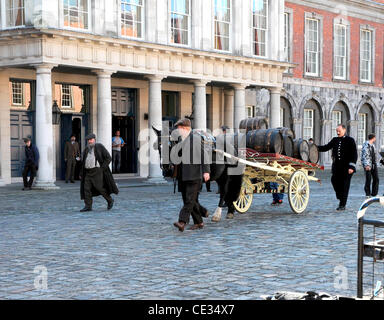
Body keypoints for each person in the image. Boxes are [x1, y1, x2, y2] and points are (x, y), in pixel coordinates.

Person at [173, 118, 211, 232]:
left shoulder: (195, 139)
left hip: (194, 175)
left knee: (189, 201)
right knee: (189, 200)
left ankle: (182, 222)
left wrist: (206, 171)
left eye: (179, 129)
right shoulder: (181, 140)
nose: (178, 131)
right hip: (183, 176)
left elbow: (204, 155)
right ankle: (199, 221)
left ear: (185, 128)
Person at [318, 124, 357, 211]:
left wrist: (351, 167)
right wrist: (315, 147)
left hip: (347, 167)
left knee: (345, 186)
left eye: (339, 131)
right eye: (337, 131)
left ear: (344, 130)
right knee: (334, 180)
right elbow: (326, 147)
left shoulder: (350, 140)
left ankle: (342, 204)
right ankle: (340, 196)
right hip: (337, 167)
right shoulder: (335, 140)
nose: (338, 132)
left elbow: (354, 154)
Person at [80, 133, 119, 212]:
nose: (89, 141)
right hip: (88, 171)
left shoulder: (99, 147)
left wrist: (102, 168)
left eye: (91, 140)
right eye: (88, 140)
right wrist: (81, 173)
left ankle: (110, 200)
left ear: (94, 139)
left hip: (97, 171)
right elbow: (83, 162)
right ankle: (88, 206)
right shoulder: (86, 149)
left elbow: (108, 158)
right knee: (86, 189)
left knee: (100, 188)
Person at [361, 133, 379, 198]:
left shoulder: (372, 145)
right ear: (373, 138)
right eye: (375, 138)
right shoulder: (366, 145)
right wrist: (366, 165)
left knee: (376, 178)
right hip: (368, 165)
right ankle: (367, 194)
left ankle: (374, 193)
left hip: (374, 164)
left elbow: (374, 155)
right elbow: (365, 155)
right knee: (368, 179)